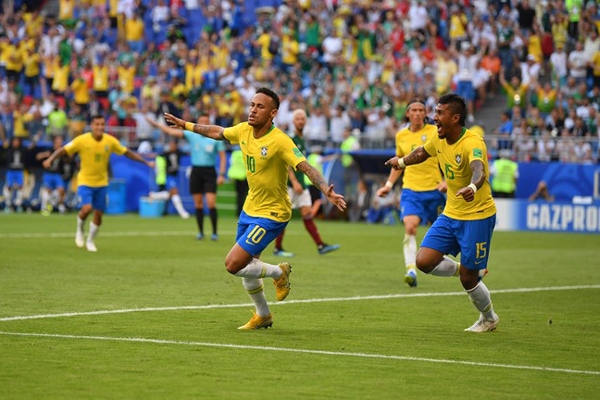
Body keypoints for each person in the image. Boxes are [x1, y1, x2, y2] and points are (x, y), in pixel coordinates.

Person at [164, 87, 346, 330]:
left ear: (272, 113)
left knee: (233, 264)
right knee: (248, 267)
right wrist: (185, 124)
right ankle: (263, 315)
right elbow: (215, 131)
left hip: (273, 213)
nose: (252, 110)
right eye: (252, 105)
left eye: (260, 107)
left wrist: (326, 191)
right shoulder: (243, 130)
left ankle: (279, 273)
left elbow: (306, 167)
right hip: (250, 209)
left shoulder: (280, 140)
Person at [386, 94, 499, 332]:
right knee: (423, 261)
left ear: (455, 118)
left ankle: (488, 318)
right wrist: (402, 162)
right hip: (451, 214)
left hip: (478, 215)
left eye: (439, 113)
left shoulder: (472, 142)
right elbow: (422, 153)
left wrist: (472, 186)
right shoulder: (439, 138)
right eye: (434, 112)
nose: (434, 117)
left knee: (468, 279)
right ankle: (465, 268)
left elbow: (478, 169)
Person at [43, 115, 154, 252]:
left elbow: (127, 153)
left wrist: (145, 162)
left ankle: (90, 240)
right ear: (92, 125)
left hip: (102, 183)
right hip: (85, 181)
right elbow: (63, 150)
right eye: (97, 124)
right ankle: (79, 229)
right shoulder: (82, 140)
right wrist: (50, 159)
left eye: (102, 124)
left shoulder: (110, 141)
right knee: (86, 209)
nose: (100, 127)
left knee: (98, 215)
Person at [377, 99, 446, 287]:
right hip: (411, 190)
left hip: (434, 189)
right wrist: (389, 185)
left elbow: (445, 157)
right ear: (407, 113)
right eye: (414, 110)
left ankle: (465, 268)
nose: (417, 113)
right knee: (410, 227)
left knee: (446, 237)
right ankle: (411, 270)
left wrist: (447, 181)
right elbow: (399, 163)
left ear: (425, 114)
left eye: (421, 110)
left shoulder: (435, 132)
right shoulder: (401, 136)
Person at [273, 108, 340, 257]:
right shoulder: (290, 139)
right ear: (293, 121)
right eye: (298, 119)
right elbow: (287, 162)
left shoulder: (302, 139)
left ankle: (320, 245)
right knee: (282, 216)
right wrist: (294, 181)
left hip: (302, 185)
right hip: (291, 185)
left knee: (307, 214)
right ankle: (277, 248)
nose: (301, 121)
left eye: (303, 118)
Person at [148, 115, 226, 240]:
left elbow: (222, 157)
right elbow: (170, 131)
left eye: (206, 122)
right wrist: (156, 124)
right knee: (198, 203)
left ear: (209, 123)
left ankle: (214, 232)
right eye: (201, 122)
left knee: (211, 202)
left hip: (209, 172)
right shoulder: (192, 135)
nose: (203, 125)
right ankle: (201, 232)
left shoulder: (215, 138)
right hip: (196, 171)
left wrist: (221, 174)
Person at [150, 138, 190, 219]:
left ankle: (155, 195)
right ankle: (182, 213)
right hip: (169, 176)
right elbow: (156, 155)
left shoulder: (178, 152)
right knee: (175, 192)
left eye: (173, 144)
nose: (172, 146)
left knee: (172, 194)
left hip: (175, 176)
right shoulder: (166, 154)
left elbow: (188, 153)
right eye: (170, 144)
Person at [36, 135, 69, 215]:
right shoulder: (49, 150)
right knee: (48, 190)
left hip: (57, 174)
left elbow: (68, 160)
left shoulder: (62, 152)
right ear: (55, 142)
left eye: (61, 141)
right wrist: (45, 155)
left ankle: (60, 206)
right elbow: (38, 157)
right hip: (48, 174)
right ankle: (45, 207)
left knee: (61, 190)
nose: (60, 143)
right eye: (59, 141)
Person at [2, 137, 28, 213]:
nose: (16, 143)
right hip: (10, 171)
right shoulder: (9, 148)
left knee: (20, 187)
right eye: (14, 141)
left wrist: (36, 138)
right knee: (9, 186)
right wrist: (1, 131)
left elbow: (31, 147)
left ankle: (18, 205)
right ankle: (8, 205)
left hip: (20, 171)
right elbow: (4, 140)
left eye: (17, 141)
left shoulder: (22, 149)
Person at [227, 145, 248, 217]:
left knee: (239, 196)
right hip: (245, 176)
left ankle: (238, 213)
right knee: (247, 196)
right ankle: (246, 213)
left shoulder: (234, 153)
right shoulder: (247, 153)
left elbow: (231, 163)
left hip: (236, 176)